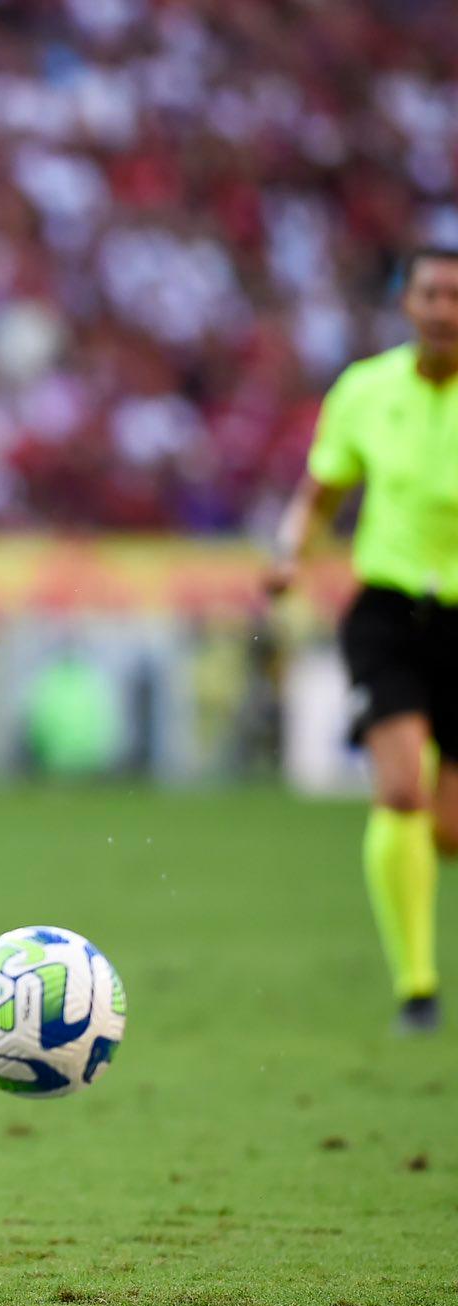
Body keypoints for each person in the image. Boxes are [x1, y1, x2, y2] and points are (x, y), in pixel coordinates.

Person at [269, 245, 458, 1035]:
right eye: (431, 294)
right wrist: (290, 552)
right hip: (389, 612)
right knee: (401, 789)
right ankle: (417, 989)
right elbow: (322, 491)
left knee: (447, 830)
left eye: (456, 296)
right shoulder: (365, 390)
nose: (444, 310)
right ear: (407, 304)